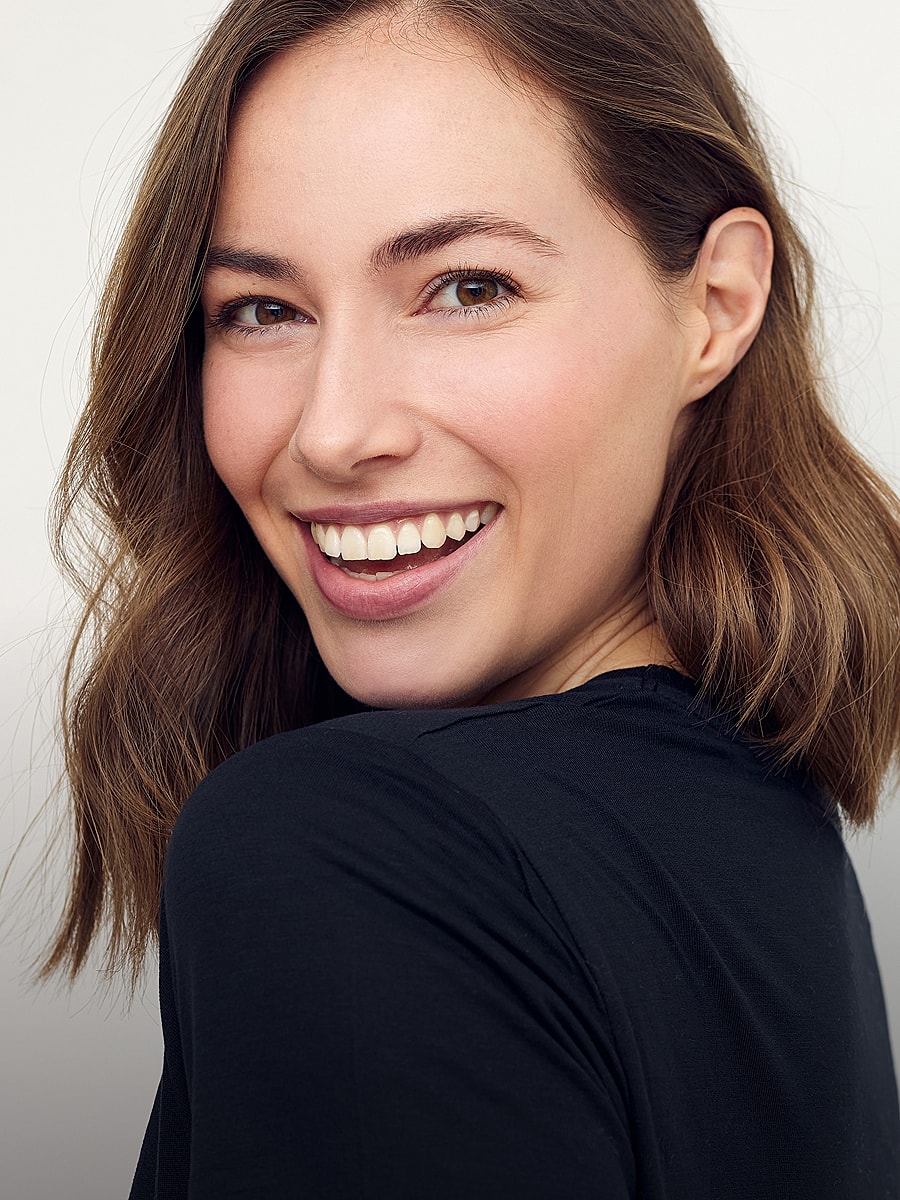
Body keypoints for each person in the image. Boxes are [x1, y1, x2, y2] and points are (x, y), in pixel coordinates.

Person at [45, 0, 900, 1195]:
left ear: (715, 306)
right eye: (263, 310)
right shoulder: (770, 846)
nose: (336, 431)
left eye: (467, 288)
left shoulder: (345, 842)